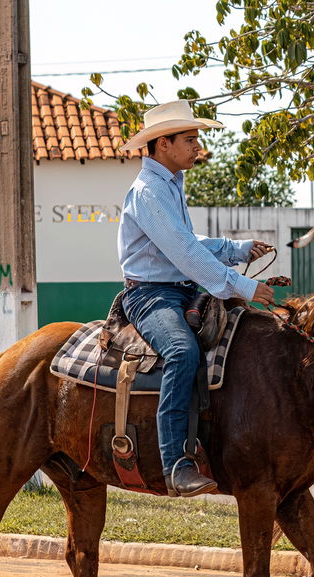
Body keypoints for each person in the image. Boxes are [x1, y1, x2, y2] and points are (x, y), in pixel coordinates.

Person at [117, 99, 274, 497]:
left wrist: (234, 249)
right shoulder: (149, 191)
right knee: (182, 352)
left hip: (181, 290)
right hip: (151, 296)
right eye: (189, 140)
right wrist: (243, 285)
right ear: (162, 144)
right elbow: (183, 252)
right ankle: (176, 463)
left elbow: (187, 243)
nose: (197, 147)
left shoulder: (168, 184)